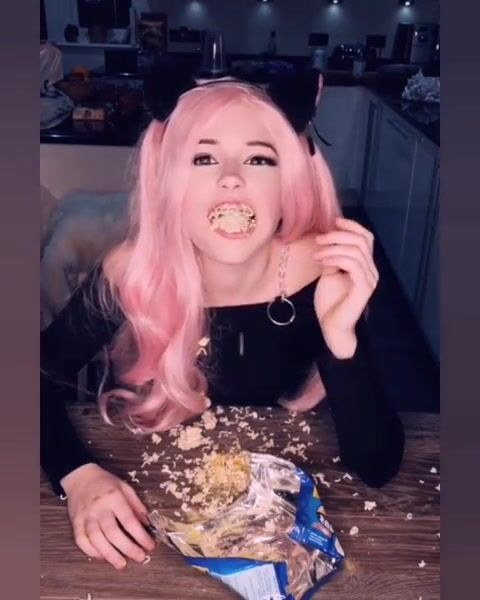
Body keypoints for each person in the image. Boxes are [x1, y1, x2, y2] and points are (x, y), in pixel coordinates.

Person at [41, 79, 404, 571]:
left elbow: (378, 466)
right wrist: (77, 475)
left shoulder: (324, 273)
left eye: (259, 159)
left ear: (288, 184)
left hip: (284, 528)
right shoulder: (131, 273)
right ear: (170, 185)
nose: (231, 178)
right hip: (158, 526)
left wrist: (343, 340)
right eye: (203, 158)